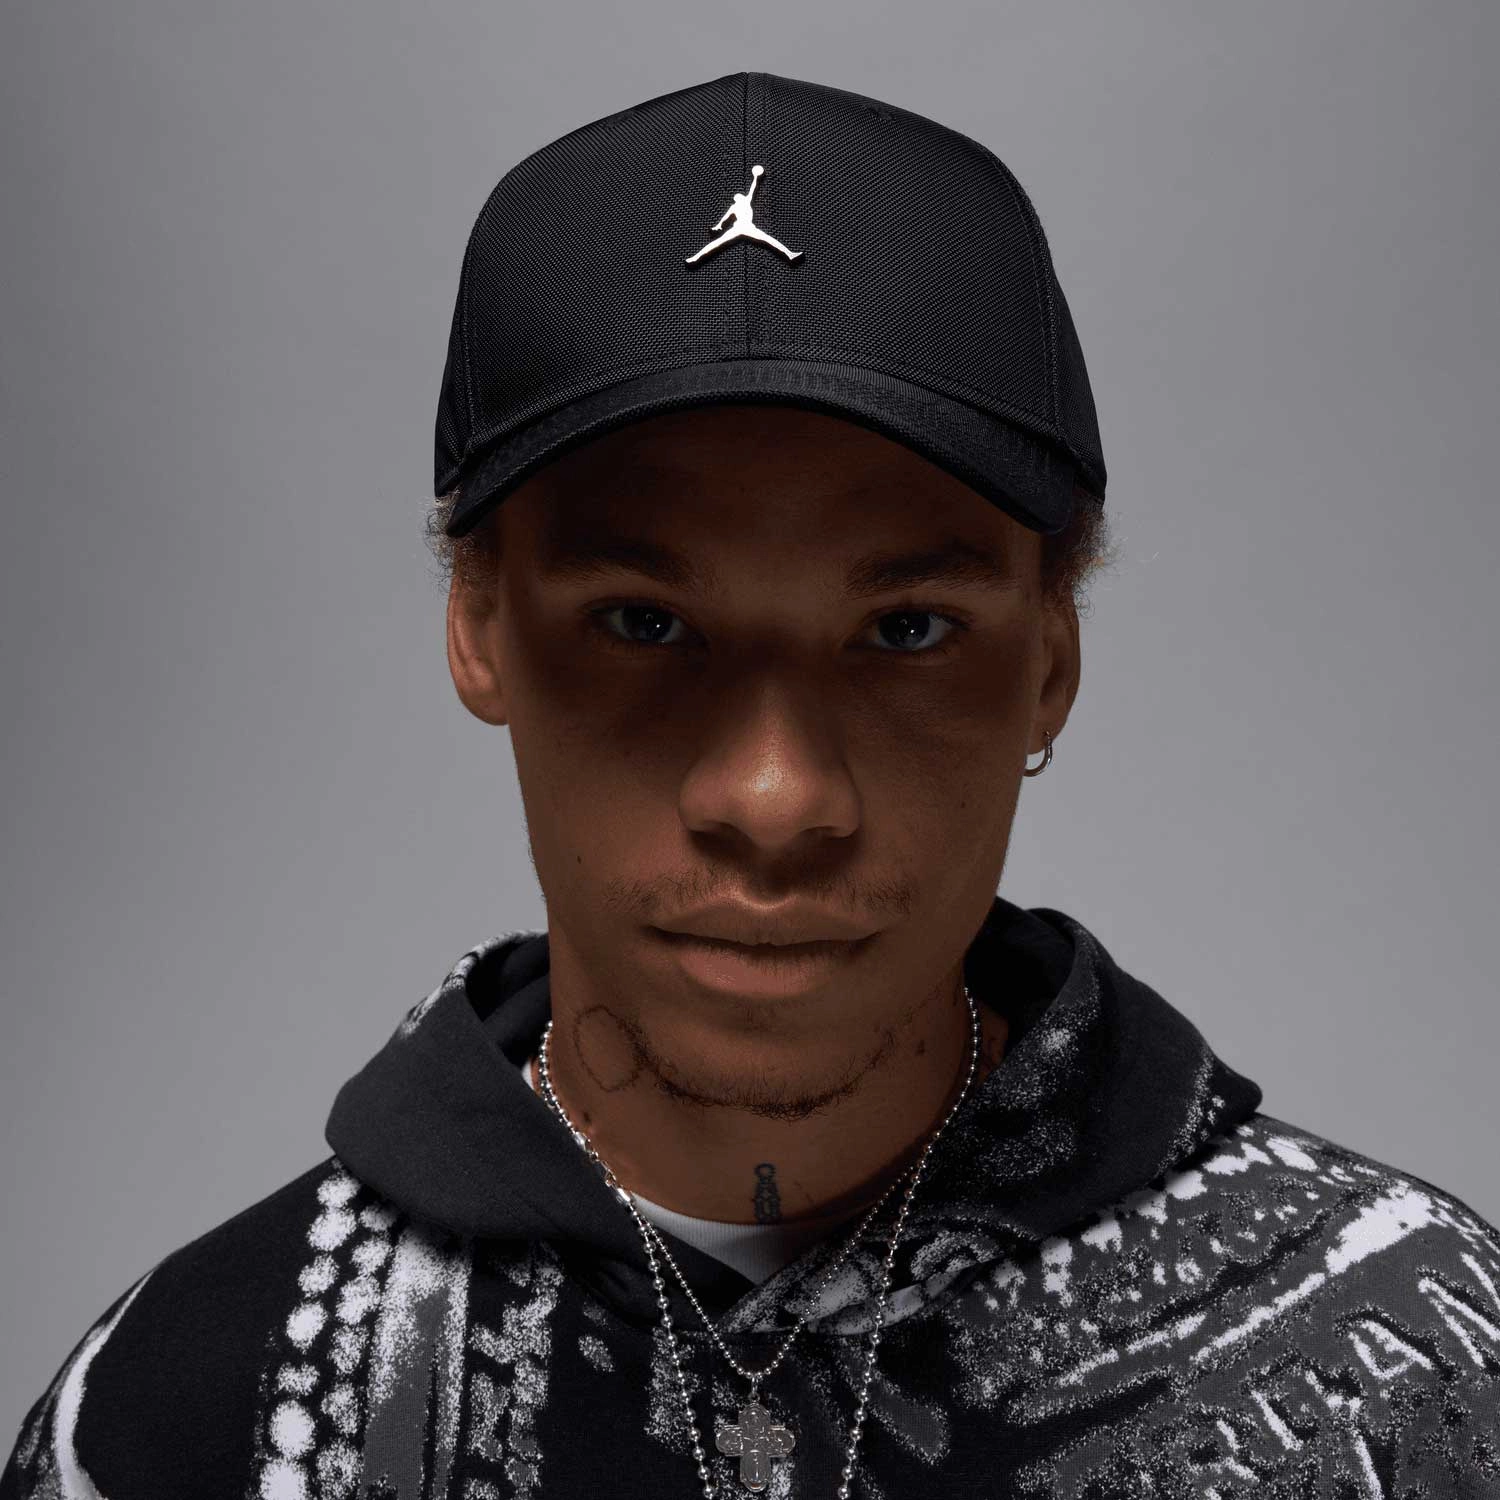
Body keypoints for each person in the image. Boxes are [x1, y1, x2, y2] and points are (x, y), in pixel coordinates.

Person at [5, 69, 1498, 1500]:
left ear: (1050, 661)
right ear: (478, 627)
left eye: (906, 631)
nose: (776, 800)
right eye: (643, 624)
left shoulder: (1427, 1370)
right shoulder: (176, 1426)